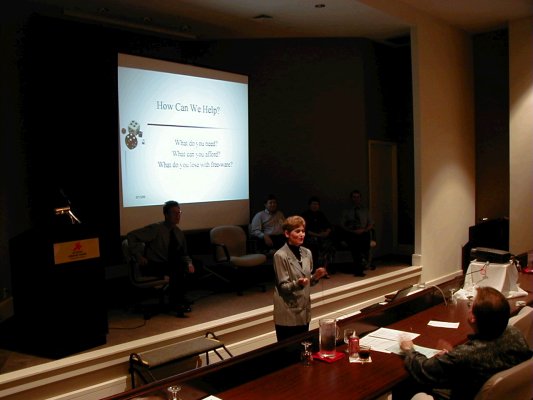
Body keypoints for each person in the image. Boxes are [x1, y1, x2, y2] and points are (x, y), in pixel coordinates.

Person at [396, 286, 532, 400]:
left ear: (473, 318)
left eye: (470, 305)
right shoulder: (514, 333)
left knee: (404, 387)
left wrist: (409, 349)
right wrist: (451, 358)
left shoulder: (465, 355)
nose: (468, 307)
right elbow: (483, 358)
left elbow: (423, 370)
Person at [127, 200, 195, 318]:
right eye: (174, 213)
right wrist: (138, 255)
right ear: (166, 215)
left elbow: (184, 253)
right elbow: (131, 236)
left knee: (191, 265)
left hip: (168, 264)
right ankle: (177, 303)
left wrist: (189, 263)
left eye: (179, 213)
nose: (178, 216)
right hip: (153, 265)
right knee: (176, 269)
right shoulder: (156, 229)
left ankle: (180, 297)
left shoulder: (178, 233)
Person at [272, 215, 328, 342]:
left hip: (304, 311)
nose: (301, 234)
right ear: (287, 234)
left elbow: (308, 282)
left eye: (303, 231)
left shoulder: (307, 253)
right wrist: (298, 283)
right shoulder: (280, 255)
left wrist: (316, 276)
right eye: (297, 231)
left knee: (304, 346)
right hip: (288, 312)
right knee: (289, 350)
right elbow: (283, 287)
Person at [340, 189, 374, 277]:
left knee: (364, 244)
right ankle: (359, 269)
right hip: (352, 233)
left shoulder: (365, 210)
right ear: (351, 198)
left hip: (364, 232)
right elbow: (342, 224)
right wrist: (352, 230)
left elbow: (371, 223)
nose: (356, 199)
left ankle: (364, 263)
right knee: (355, 246)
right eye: (354, 197)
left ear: (360, 198)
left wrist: (364, 230)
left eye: (358, 197)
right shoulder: (347, 211)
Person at [301, 196, 336, 274]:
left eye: (316, 204)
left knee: (329, 246)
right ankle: (315, 269)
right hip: (311, 237)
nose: (315, 206)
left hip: (322, 236)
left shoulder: (321, 214)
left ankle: (325, 269)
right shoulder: (305, 215)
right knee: (314, 245)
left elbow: (328, 225)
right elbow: (306, 230)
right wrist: (319, 235)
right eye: (313, 204)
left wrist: (327, 232)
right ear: (310, 205)